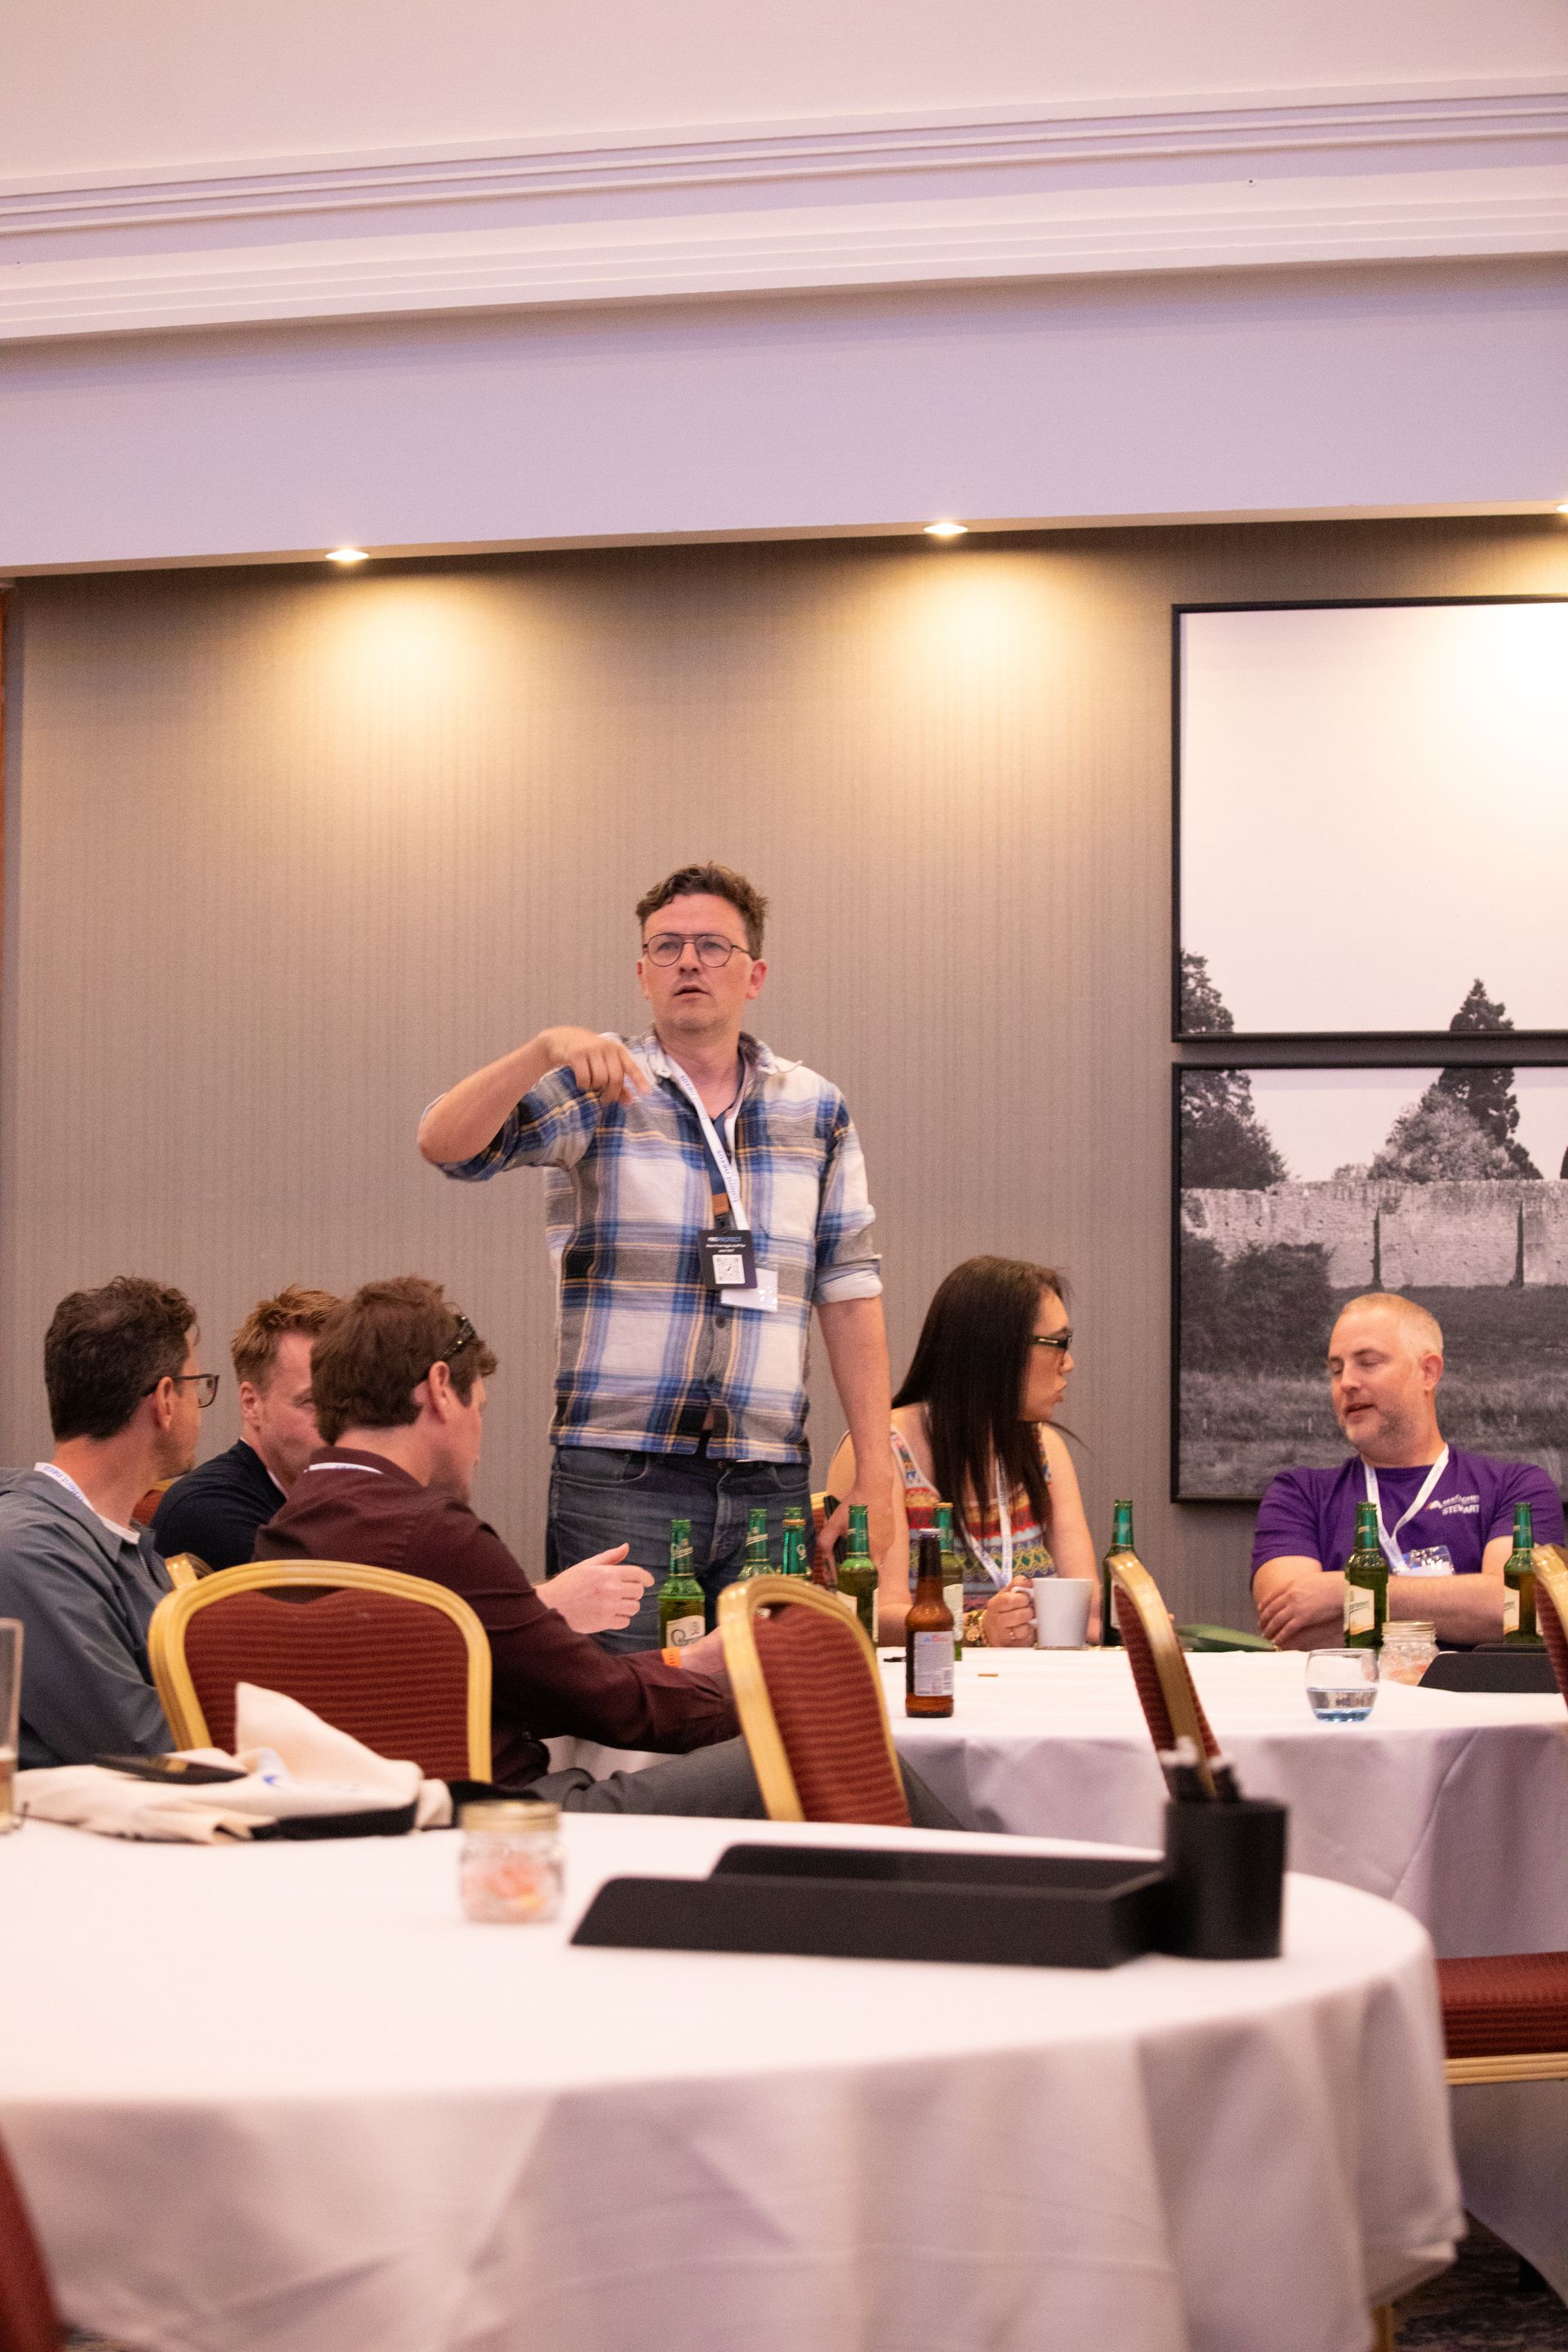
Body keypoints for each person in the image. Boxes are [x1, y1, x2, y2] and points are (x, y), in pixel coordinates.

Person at [256, 1277, 958, 1822]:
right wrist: (756, 1682)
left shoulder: (286, 1533)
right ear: (442, 1388)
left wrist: (687, 1661)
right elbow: (612, 1707)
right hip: (506, 1822)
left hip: (374, 1831)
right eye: (480, 1407)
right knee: (827, 1751)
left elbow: (522, 1687)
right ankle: (998, 1916)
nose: (477, 1436)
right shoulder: (434, 1536)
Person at [417, 861, 894, 1651]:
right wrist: (541, 1050)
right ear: (643, 974)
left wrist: (875, 1465)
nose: (689, 963)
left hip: (768, 1474)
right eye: (667, 947)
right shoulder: (600, 1084)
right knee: (616, 1716)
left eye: (712, 946)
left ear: (756, 974)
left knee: (761, 1718)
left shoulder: (814, 1107)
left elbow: (848, 1287)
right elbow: (445, 1145)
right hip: (621, 1473)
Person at [1252, 1292, 1565, 1649]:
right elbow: (1294, 1628)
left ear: (1428, 1372)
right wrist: (1456, 1605)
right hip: (1350, 1704)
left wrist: (1343, 1590)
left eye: (1367, 1363)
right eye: (1336, 1369)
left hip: (1475, 1703)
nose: (1347, 1383)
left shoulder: (1517, 1488)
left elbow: (1517, 1612)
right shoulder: (1299, 1494)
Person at [826, 1257, 1098, 1646]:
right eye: (1059, 1344)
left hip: (1034, 1681)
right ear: (998, 1350)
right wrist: (976, 1628)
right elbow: (876, 1616)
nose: (1068, 1363)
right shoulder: (881, 1450)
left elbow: (1084, 1603)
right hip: (928, 1683)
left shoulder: (1044, 1448)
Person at [0, 1278, 214, 1767]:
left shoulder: (127, 1545)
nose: (198, 1410)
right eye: (196, 1387)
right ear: (164, 1400)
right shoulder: (30, 1554)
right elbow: (148, 1750)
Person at [152, 1285, 339, 1570]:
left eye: (347, 1401)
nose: (337, 1422)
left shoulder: (331, 1499)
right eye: (312, 1402)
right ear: (251, 1404)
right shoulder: (208, 1512)